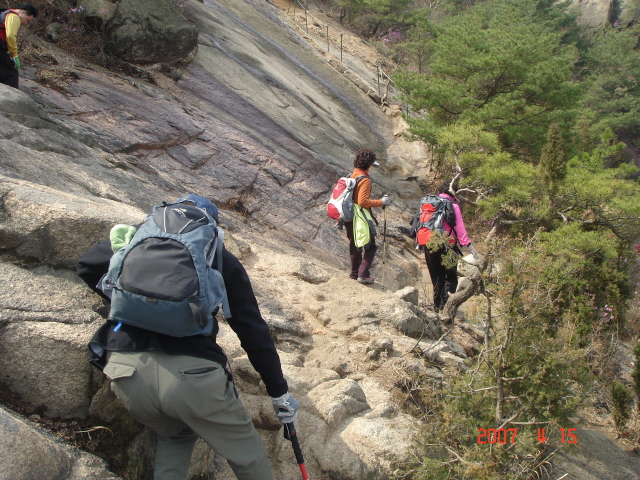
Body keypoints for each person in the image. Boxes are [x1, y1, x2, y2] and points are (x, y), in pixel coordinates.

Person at [77, 194, 298, 480]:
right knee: (248, 457)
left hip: (126, 373)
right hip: (193, 382)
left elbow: (86, 265)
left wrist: (130, 301)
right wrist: (279, 393)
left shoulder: (137, 239)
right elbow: (252, 331)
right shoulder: (217, 256)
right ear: (210, 227)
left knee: (176, 434)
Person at [423, 180, 474, 312]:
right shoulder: (453, 206)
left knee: (436, 275)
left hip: (428, 243)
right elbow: (460, 228)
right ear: (454, 192)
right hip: (447, 244)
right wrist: (467, 244)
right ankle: (445, 308)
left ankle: (436, 305)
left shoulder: (428, 203)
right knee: (450, 277)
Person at [344, 148, 391, 284]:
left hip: (348, 214)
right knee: (370, 246)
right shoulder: (365, 179)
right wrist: (381, 202)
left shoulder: (352, 175)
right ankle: (363, 275)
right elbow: (362, 201)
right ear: (369, 164)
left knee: (355, 244)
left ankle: (354, 274)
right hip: (360, 217)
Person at [0, 3, 37, 89]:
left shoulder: (5, 13)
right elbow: (10, 36)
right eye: (27, 20)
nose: (25, 23)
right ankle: (10, 98)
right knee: (10, 73)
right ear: (22, 12)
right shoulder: (14, 17)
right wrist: (14, 55)